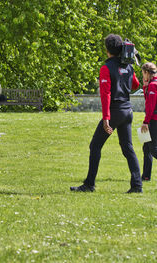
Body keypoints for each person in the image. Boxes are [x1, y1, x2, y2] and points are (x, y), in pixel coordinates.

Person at [70, 34, 143, 193]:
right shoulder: (128, 66)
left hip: (115, 112)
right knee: (128, 148)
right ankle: (137, 185)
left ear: (107, 49)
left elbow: (106, 95)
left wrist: (106, 118)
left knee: (95, 146)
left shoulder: (106, 68)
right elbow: (135, 85)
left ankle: (89, 184)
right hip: (127, 111)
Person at [140, 62, 157, 181]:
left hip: (153, 120)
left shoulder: (153, 85)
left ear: (147, 73)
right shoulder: (151, 84)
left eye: (143, 74)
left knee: (153, 149)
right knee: (146, 148)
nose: (143, 77)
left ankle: (146, 176)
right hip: (152, 119)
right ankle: (146, 176)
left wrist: (146, 121)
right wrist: (145, 86)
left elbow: (150, 105)